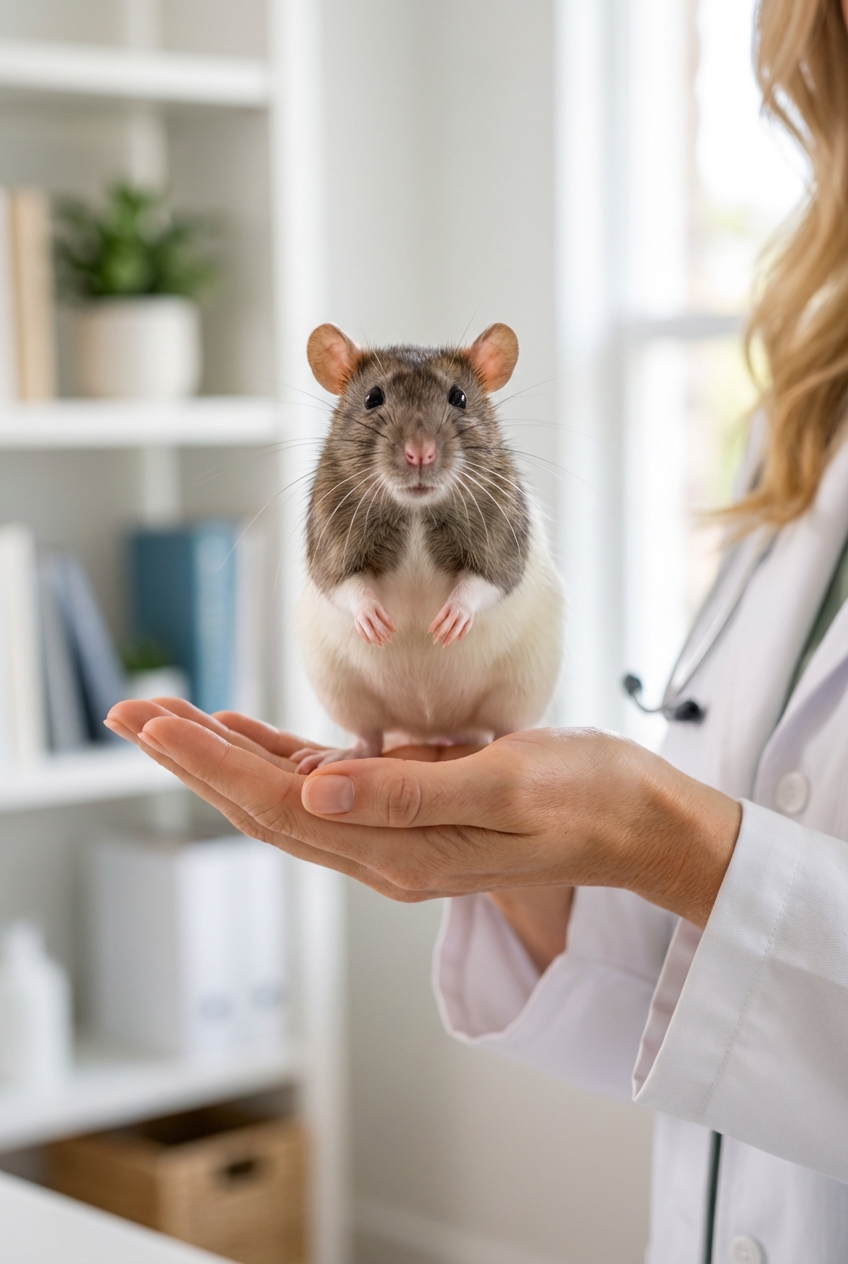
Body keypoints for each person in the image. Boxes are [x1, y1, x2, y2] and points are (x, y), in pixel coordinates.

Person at [108, 0, 848, 1258]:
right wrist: (529, 852)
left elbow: (734, 902)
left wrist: (649, 830)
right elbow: (699, 980)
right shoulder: (796, 422)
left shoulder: (500, 499)